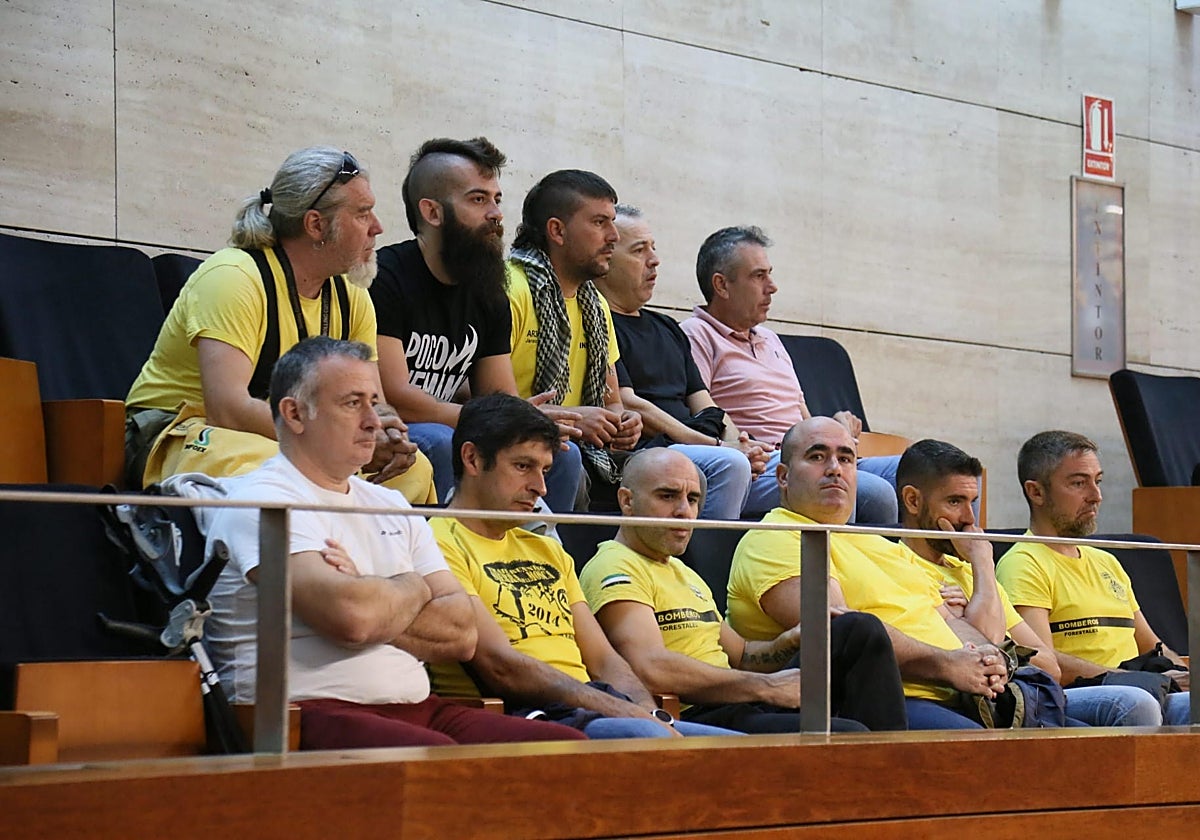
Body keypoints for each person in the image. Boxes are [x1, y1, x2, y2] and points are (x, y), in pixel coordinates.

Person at [204, 338, 585, 748]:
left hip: (419, 706)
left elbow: (461, 633)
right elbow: (352, 618)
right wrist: (414, 585)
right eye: (353, 404)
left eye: (374, 402)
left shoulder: (390, 504)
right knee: (442, 762)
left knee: (566, 749)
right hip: (302, 711)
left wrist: (368, 590)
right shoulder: (262, 500)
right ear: (294, 414)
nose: (374, 421)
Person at [124, 146, 434, 504]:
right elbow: (227, 409)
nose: (377, 227)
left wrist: (384, 433)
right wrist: (331, 440)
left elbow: (374, 402)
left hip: (298, 436)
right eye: (363, 214)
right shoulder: (234, 276)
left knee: (415, 472)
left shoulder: (353, 294)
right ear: (316, 225)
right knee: (282, 471)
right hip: (183, 430)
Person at [428, 393, 735, 738]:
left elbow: (604, 660)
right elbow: (501, 667)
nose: (541, 488)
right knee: (655, 739)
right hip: (522, 714)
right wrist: (626, 713)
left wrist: (650, 712)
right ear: (472, 458)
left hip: (587, 709)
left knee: (738, 747)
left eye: (545, 470)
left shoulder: (548, 549)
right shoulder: (436, 543)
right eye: (523, 466)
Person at [580, 447, 909, 732]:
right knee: (849, 734)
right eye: (667, 496)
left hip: (740, 699)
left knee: (854, 629)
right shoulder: (614, 565)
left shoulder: (682, 571)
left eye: (692, 499)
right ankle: (895, 767)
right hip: (700, 712)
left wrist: (790, 641)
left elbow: (742, 655)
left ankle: (898, 757)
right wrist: (765, 686)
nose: (684, 511)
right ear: (627, 501)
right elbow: (651, 667)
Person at [726, 417, 1008, 729]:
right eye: (817, 456)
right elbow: (846, 635)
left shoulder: (884, 546)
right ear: (783, 476)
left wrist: (987, 658)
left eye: (846, 458)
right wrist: (947, 664)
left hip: (963, 694)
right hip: (885, 701)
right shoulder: (777, 537)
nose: (835, 468)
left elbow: (951, 622)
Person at [372, 137, 583, 506]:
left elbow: (497, 394)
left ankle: (535, 543)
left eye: (496, 199)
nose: (496, 213)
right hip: (400, 428)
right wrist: (494, 419)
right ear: (432, 212)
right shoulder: (385, 278)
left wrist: (523, 420)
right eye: (478, 199)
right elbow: (395, 396)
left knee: (562, 455)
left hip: (455, 424)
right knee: (439, 441)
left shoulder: (488, 290)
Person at [897, 438, 1165, 727]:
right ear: (913, 501)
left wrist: (977, 587)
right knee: (1133, 703)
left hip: (1021, 699)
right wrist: (982, 569)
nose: (969, 518)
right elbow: (984, 651)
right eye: (954, 502)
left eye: (972, 502)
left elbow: (1048, 666)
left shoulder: (973, 570)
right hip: (973, 704)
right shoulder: (897, 566)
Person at [680, 226, 897, 524]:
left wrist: (833, 428)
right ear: (722, 285)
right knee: (872, 492)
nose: (772, 287)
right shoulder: (695, 334)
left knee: (923, 473)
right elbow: (705, 414)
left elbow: (801, 413)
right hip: (761, 463)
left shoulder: (770, 338)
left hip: (816, 455)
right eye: (758, 276)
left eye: (769, 274)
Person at [996, 430, 1191, 725]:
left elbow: (1152, 645)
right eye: (1078, 483)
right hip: (1076, 694)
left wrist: (1185, 677)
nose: (1096, 496)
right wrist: (1133, 681)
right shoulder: (1023, 563)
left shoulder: (1107, 561)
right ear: (1036, 492)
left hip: (1141, 686)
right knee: (1134, 702)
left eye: (1097, 481)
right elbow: (1043, 664)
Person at [591, 205, 765, 520]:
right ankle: (703, 553)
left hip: (701, 446)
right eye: (639, 250)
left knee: (823, 480)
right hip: (651, 452)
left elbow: (706, 405)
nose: (654, 260)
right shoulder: (596, 322)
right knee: (730, 465)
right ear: (606, 259)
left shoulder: (668, 327)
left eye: (653, 248)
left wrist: (740, 442)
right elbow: (629, 403)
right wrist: (717, 447)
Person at [506, 170, 642, 508]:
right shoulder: (510, 288)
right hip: (516, 440)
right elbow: (477, 396)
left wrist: (621, 423)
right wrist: (577, 419)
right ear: (557, 231)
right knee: (566, 458)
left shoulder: (595, 304)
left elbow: (612, 401)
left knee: (676, 470)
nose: (613, 236)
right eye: (599, 222)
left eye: (612, 222)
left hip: (583, 447)